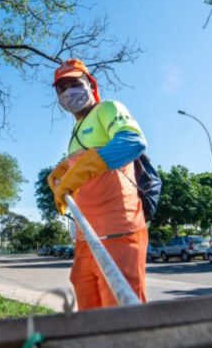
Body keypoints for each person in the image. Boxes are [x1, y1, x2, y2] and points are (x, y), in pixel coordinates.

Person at [47, 59, 149, 310]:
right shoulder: (76, 130)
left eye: (75, 83)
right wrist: (64, 169)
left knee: (121, 319)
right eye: (62, 88)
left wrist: (78, 171)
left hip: (118, 231)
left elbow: (133, 141)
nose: (68, 91)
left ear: (90, 84)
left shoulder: (108, 109)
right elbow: (86, 161)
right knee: (90, 316)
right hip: (86, 238)